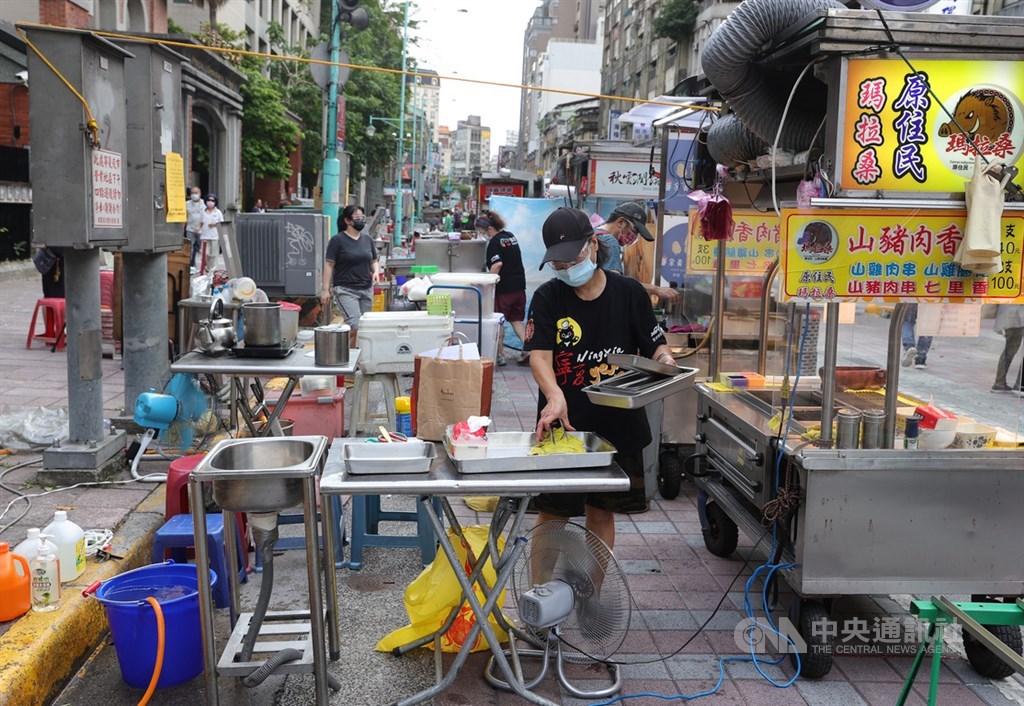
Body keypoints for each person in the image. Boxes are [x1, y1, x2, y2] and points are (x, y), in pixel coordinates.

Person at [524, 207, 673, 553]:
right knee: (552, 515)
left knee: (602, 513)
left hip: (617, 423)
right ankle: (540, 599)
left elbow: (655, 345)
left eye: (571, 261)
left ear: (593, 246)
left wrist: (666, 362)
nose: (566, 270)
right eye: (559, 265)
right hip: (564, 425)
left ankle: (590, 596)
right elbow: (540, 357)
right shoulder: (548, 297)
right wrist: (553, 395)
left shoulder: (629, 293)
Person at [598, 202, 681, 305]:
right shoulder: (609, 241)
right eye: (634, 230)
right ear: (620, 222)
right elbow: (617, 284)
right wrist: (656, 290)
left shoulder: (594, 234)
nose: (633, 236)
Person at [321, 205, 380, 348]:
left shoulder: (367, 240)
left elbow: (373, 260)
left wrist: (376, 272)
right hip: (345, 290)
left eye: (362, 217)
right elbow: (329, 265)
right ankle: (346, 358)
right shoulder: (337, 240)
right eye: (357, 217)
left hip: (366, 288)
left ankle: (359, 358)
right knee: (355, 325)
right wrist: (325, 289)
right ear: (347, 220)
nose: (361, 220)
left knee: (365, 329)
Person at [480, 211, 527, 366]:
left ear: (490, 229)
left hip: (504, 290)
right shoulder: (510, 237)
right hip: (519, 287)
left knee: (498, 322)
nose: (483, 235)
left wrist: (488, 282)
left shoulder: (494, 242)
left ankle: (499, 355)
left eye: (482, 232)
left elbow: (497, 264)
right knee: (516, 320)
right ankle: (528, 349)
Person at [993, 303, 1024, 393]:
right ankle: (1020, 385)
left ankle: (999, 383)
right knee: (1010, 350)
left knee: (1009, 351)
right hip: (1018, 317)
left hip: (1008, 316)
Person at [198, 193, 224, 275]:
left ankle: (212, 272)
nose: (210, 202)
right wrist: (198, 227)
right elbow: (200, 222)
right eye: (208, 200)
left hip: (214, 236)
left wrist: (215, 224)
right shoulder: (203, 212)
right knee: (205, 254)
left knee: (213, 255)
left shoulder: (218, 212)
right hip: (204, 236)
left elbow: (222, 223)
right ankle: (208, 267)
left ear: (215, 202)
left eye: (212, 200)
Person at [901, 303, 932, 369]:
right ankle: (921, 358)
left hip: (913, 296)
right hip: (933, 296)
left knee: (907, 321)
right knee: (928, 323)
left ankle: (909, 347)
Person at [185, 186, 204, 268]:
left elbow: (206, 217)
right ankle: (191, 265)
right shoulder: (187, 204)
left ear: (200, 194)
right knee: (190, 248)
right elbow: (185, 217)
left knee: (203, 249)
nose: (194, 195)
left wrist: (200, 226)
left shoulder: (204, 204)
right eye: (192, 193)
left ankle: (204, 266)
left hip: (202, 230)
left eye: (196, 193)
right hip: (190, 228)